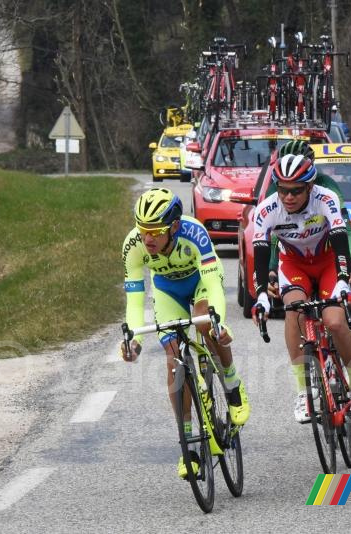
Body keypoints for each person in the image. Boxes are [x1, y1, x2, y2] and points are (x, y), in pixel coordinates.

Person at [121, 188, 250, 479]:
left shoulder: (195, 233)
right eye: (143, 230)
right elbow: (135, 298)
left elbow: (214, 286)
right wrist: (135, 340)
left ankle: (231, 384)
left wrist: (220, 323)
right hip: (168, 291)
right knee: (174, 361)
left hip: (201, 283)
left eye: (155, 230)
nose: (148, 238)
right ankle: (188, 445)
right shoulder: (133, 245)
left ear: (175, 226)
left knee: (205, 323)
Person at [251, 152, 351, 428]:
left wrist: (343, 277)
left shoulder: (325, 198)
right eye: (282, 190)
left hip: (328, 259)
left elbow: (342, 237)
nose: (288, 197)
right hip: (294, 263)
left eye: (295, 191)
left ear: (309, 187)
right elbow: (259, 253)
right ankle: (303, 392)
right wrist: (260, 295)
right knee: (294, 310)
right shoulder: (268, 210)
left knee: (335, 321)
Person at [265, 140, 351, 293]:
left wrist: (350, 261)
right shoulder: (274, 189)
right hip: (294, 259)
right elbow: (274, 235)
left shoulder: (326, 185)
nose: (289, 195)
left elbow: (346, 230)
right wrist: (271, 269)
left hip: (327, 255)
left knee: (341, 305)